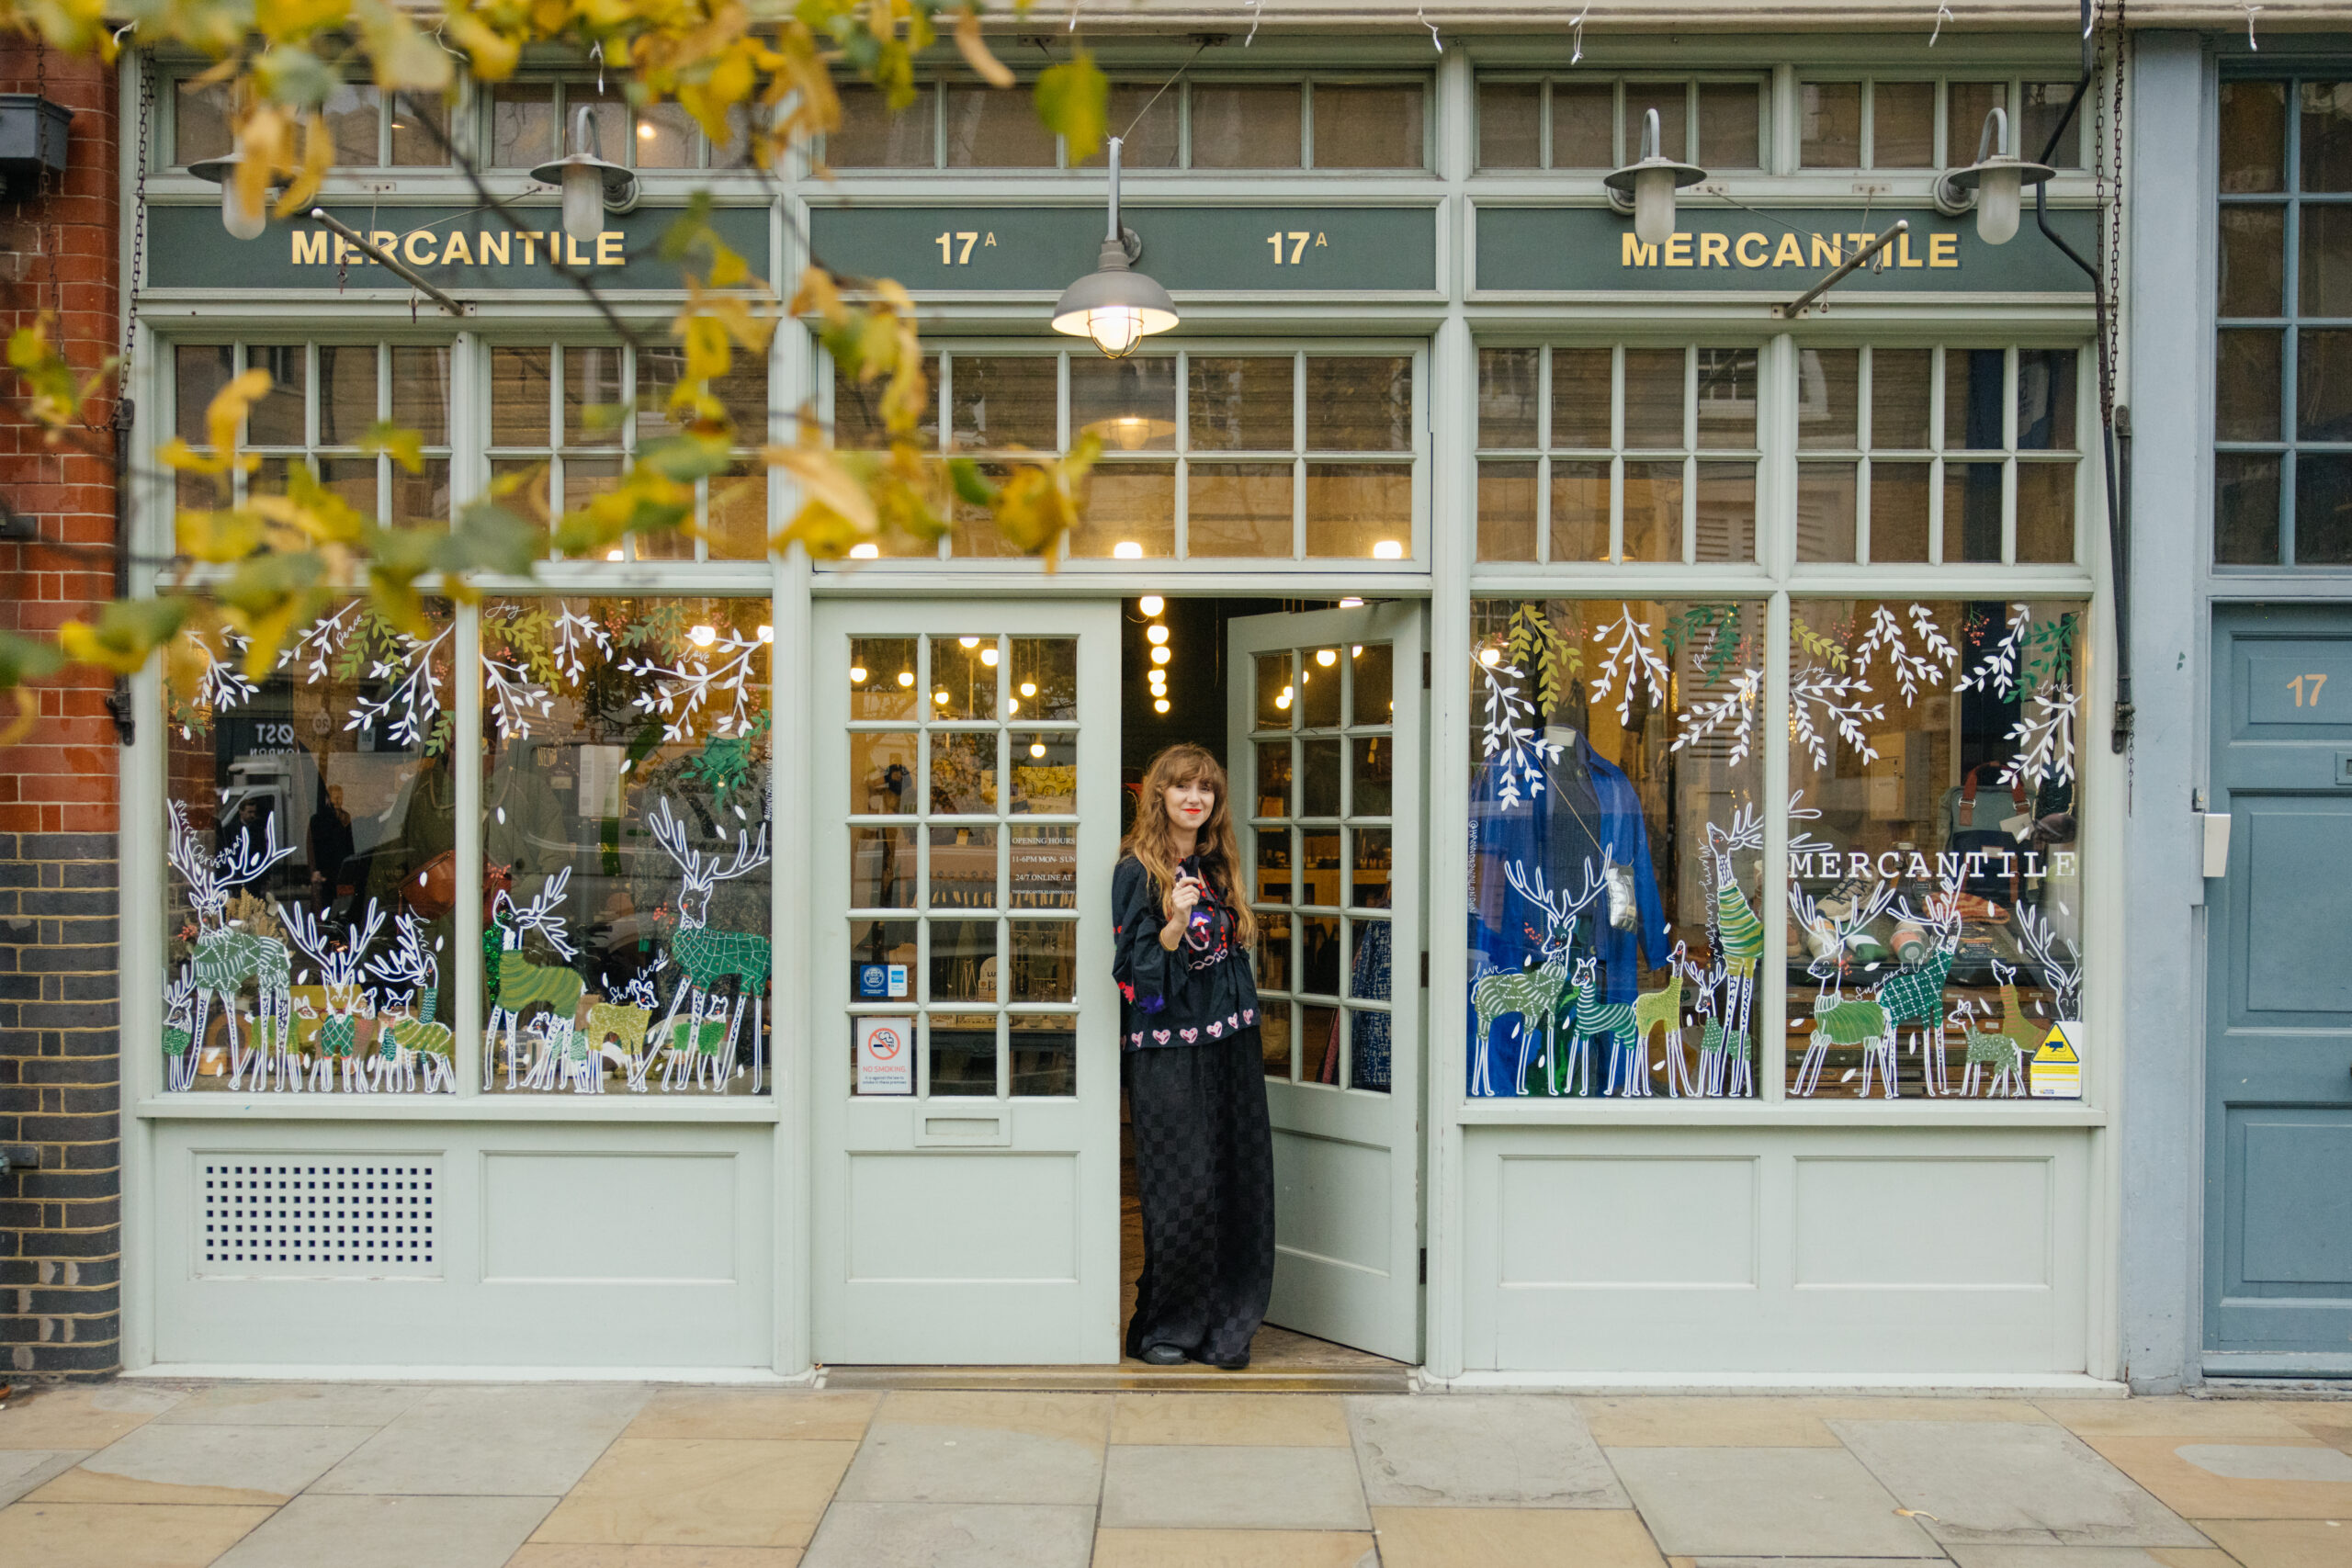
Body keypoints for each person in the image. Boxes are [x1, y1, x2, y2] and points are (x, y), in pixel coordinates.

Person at [1112, 743, 1275, 1370]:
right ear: (1159, 795)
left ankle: (1227, 1324)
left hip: (1230, 1043)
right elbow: (1136, 983)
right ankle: (1168, 1325)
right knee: (1180, 1189)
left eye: (1205, 788)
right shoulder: (1136, 871)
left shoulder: (1218, 865)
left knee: (1236, 1182)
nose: (1194, 797)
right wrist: (1173, 924)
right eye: (1181, 786)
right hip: (1167, 1052)